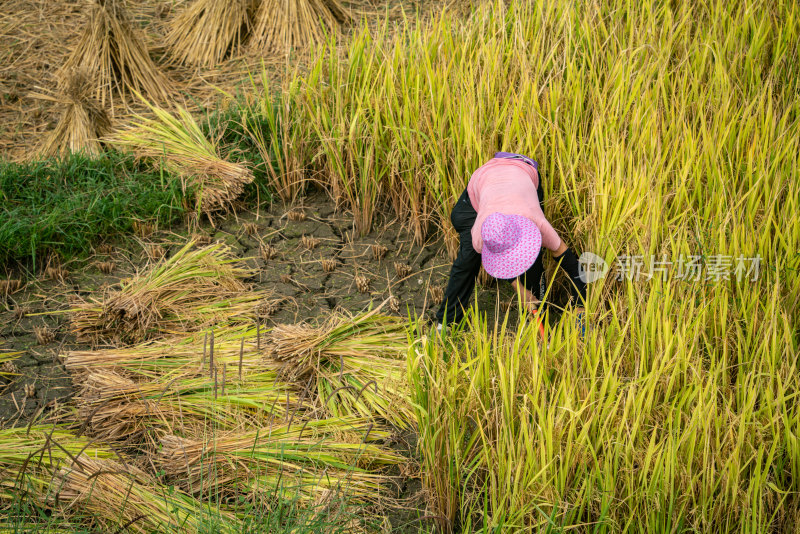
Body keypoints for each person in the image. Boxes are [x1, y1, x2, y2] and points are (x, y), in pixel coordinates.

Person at [434, 151, 586, 330]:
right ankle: (447, 322)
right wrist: (519, 290)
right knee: (468, 259)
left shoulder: (537, 223)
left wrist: (581, 303)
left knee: (534, 262)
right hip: (484, 184)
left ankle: (537, 322)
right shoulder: (480, 234)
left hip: (523, 173)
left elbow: (568, 261)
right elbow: (497, 261)